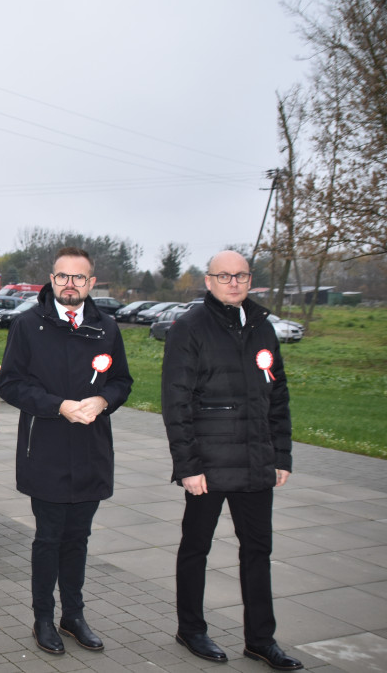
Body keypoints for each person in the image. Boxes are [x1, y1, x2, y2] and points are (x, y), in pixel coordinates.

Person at [163, 250, 302, 671]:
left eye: (241, 275)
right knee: (196, 549)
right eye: (224, 276)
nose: (234, 282)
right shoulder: (189, 328)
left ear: (250, 280)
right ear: (208, 281)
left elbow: (277, 397)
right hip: (208, 463)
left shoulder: (263, 327)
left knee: (258, 551)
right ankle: (191, 629)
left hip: (257, 461)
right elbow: (176, 401)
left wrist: (281, 454)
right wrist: (187, 466)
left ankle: (261, 640)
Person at [0, 246, 133, 656]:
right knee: (49, 538)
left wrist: (103, 401)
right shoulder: (27, 325)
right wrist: (58, 405)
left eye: (78, 278)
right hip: (48, 447)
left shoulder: (106, 327)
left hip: (91, 450)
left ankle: (73, 616)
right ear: (51, 280)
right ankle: (43, 616)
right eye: (62, 277)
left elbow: (121, 381)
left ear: (91, 283)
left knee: (79, 538)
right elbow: (11, 385)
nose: (69, 285)